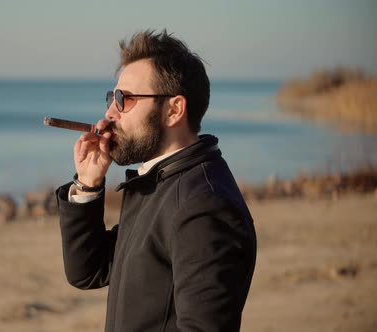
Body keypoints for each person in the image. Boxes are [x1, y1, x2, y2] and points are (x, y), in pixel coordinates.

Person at [55, 30, 257, 332]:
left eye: (125, 99)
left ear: (174, 109)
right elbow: (88, 271)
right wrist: (87, 184)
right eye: (112, 97)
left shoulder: (203, 205)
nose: (110, 112)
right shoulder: (163, 182)